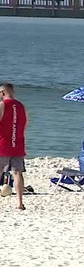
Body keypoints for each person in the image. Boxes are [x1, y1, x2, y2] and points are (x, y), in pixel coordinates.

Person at [0, 82, 27, 210]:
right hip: (18, 143)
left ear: (3, 93)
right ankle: (19, 203)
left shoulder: (2, 105)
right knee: (17, 173)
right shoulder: (21, 106)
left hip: (3, 143)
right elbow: (25, 124)